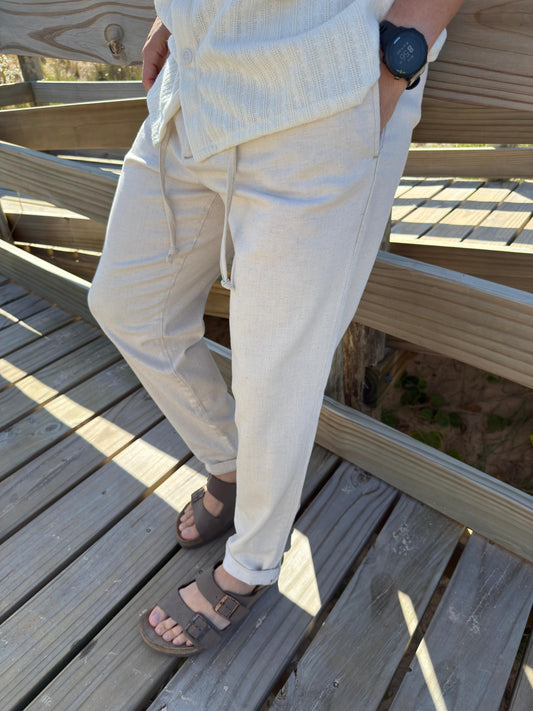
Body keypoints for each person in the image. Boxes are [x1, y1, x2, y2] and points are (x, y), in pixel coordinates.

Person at [88, 0, 466, 656]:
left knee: (276, 374)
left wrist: (395, 56)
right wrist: (171, 15)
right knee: (129, 305)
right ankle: (233, 465)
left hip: (323, 90)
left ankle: (252, 563)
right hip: (194, 82)